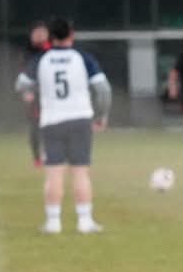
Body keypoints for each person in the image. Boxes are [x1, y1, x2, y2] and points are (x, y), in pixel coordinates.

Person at [16, 18, 111, 234]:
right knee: (80, 172)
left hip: (51, 120)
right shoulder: (83, 58)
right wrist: (102, 116)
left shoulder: (42, 59)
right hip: (80, 119)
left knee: (54, 173)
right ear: (71, 35)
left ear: (51, 37)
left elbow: (21, 84)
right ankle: (85, 222)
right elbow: (103, 90)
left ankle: (53, 222)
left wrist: (34, 88)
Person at [20, 20, 52, 167]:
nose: (39, 36)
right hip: (35, 94)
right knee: (35, 126)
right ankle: (37, 157)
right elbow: (24, 74)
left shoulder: (51, 50)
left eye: (42, 33)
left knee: (51, 125)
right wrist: (27, 91)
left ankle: (50, 154)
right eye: (36, 33)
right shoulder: (28, 52)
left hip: (51, 95)